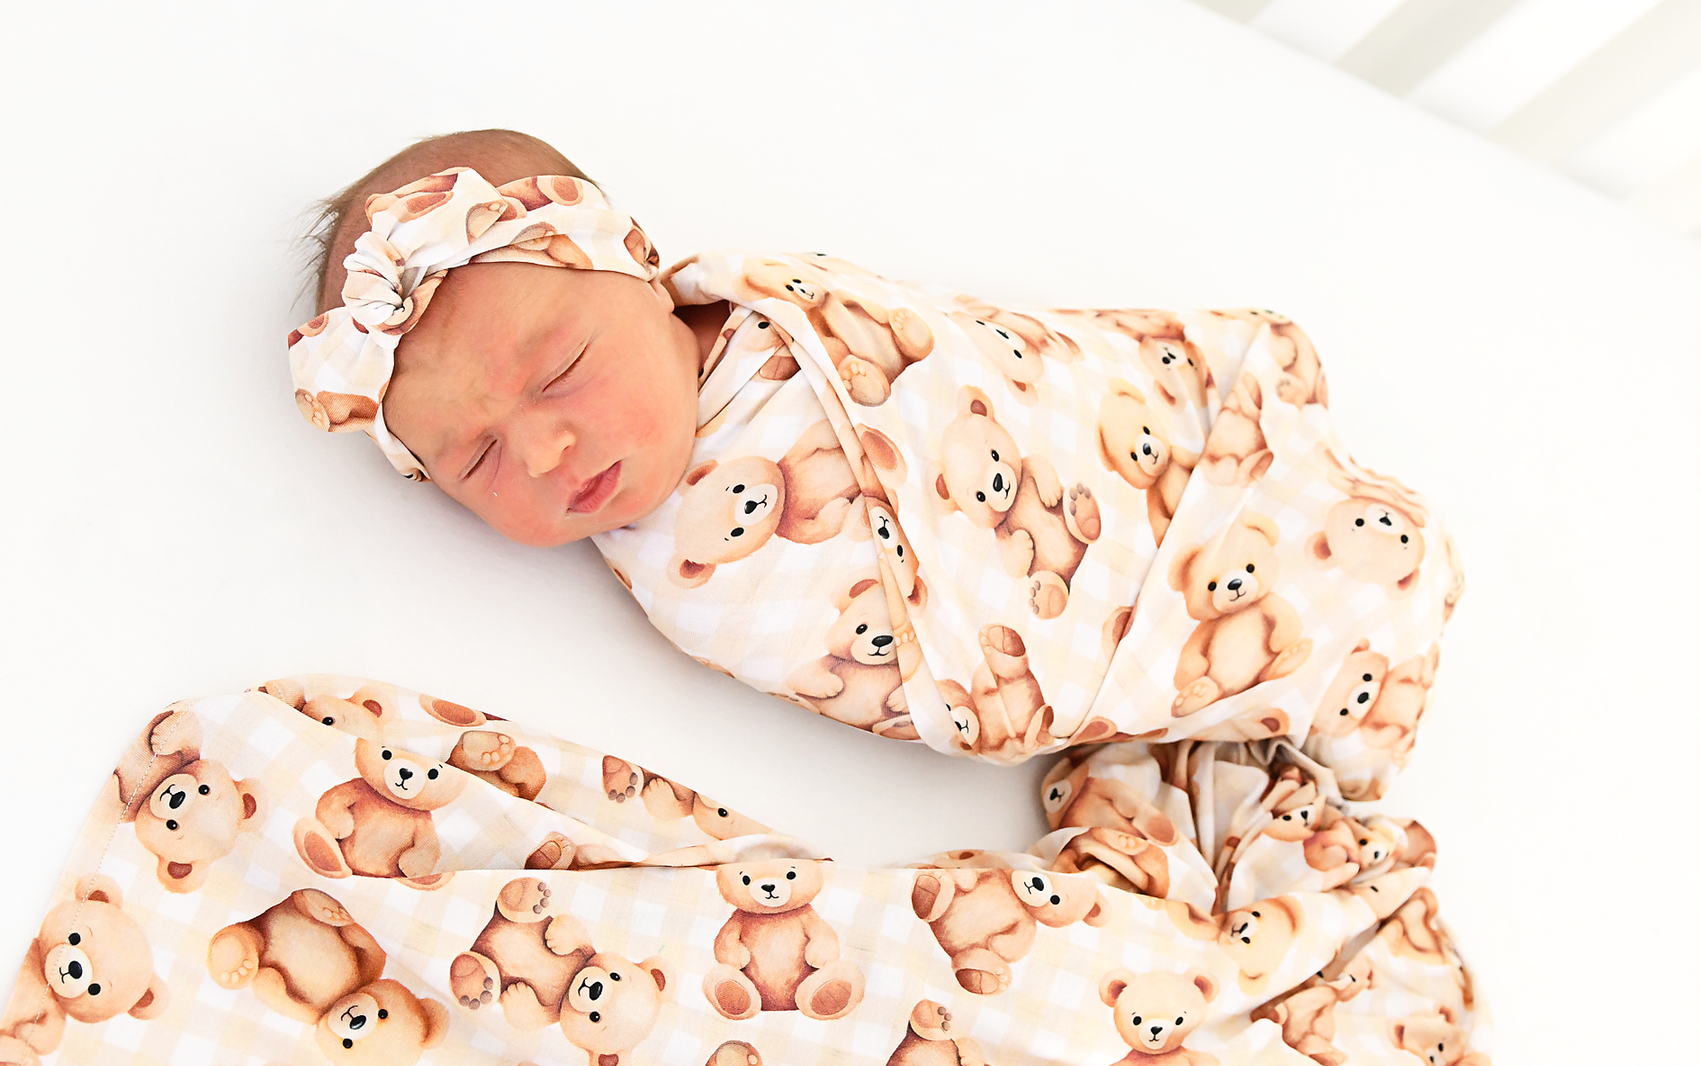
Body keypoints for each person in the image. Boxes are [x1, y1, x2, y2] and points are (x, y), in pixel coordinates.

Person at [290, 129, 1459, 799]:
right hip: (1059, 635)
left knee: (1358, 544)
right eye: (476, 458)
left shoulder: (785, 315)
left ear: (639, 273)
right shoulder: (674, 572)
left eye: (560, 370)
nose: (547, 451)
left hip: (1134, 471)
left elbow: (973, 363)